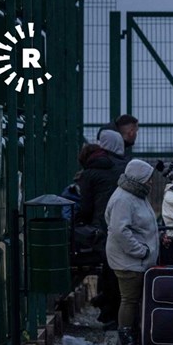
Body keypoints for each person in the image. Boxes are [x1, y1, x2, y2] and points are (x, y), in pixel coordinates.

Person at [105, 159, 159, 345]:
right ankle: (127, 341)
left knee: (134, 300)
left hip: (135, 259)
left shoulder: (135, 196)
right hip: (129, 260)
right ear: (139, 178)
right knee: (129, 300)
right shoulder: (124, 199)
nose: (151, 183)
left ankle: (134, 338)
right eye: (148, 179)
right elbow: (120, 230)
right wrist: (141, 250)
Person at [76, 132, 128, 328]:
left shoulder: (89, 174)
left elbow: (86, 206)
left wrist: (80, 222)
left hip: (102, 227)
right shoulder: (117, 168)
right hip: (122, 222)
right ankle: (114, 313)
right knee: (119, 270)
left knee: (108, 270)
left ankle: (109, 313)